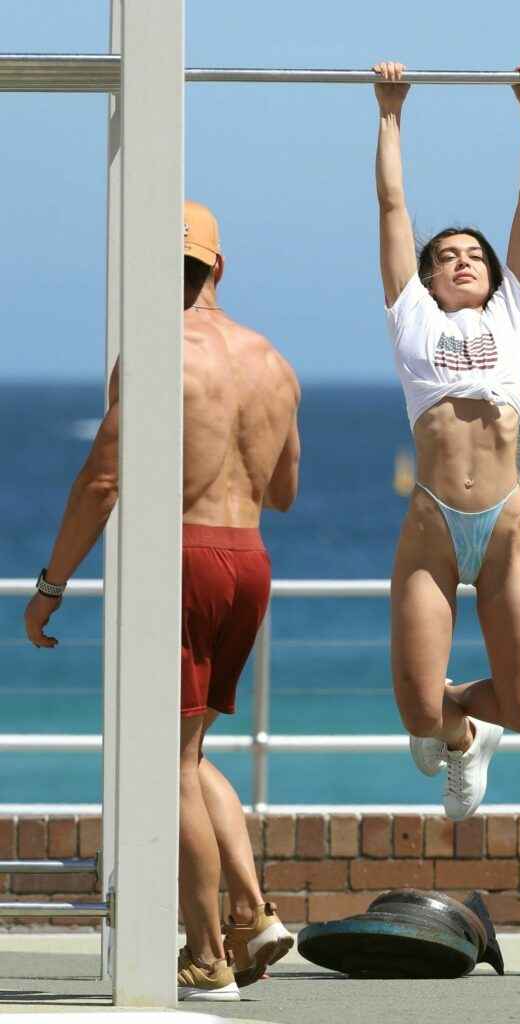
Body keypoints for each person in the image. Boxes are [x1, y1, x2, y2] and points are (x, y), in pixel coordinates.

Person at [24, 200, 301, 1001]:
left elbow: (102, 480)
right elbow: (283, 491)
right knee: (190, 754)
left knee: (168, 764)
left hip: (183, 556)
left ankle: (207, 957)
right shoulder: (275, 362)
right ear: (219, 266)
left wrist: (50, 586)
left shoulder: (154, 349)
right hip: (249, 558)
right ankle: (251, 915)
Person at [373, 61, 520, 819]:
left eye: (474, 254)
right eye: (446, 256)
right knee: (418, 714)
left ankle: (472, 725)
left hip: (504, 530)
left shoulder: (515, 313)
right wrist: (390, 111)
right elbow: (392, 205)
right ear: (427, 280)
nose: (463, 260)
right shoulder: (411, 318)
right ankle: (456, 732)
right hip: (433, 530)